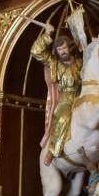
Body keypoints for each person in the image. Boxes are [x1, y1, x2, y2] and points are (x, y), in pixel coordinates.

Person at [30, 25, 83, 166]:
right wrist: (47, 35)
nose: (62, 52)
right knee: (63, 118)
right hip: (66, 98)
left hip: (82, 95)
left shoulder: (80, 62)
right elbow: (35, 51)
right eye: (59, 50)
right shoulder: (54, 62)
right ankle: (53, 150)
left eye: (64, 48)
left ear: (69, 48)